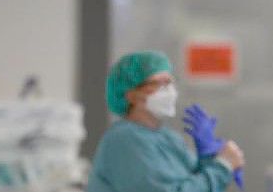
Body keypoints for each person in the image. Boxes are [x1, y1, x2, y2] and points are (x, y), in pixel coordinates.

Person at [87, 51, 245, 192]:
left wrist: (207, 159)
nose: (169, 90)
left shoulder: (167, 138)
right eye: (159, 83)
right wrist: (223, 166)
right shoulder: (124, 140)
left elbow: (193, 184)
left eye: (170, 82)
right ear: (131, 95)